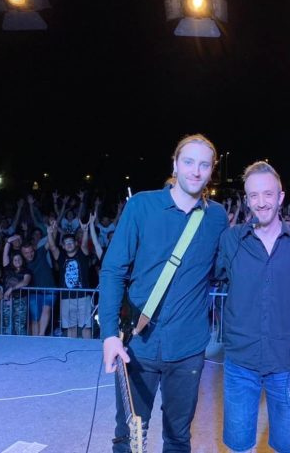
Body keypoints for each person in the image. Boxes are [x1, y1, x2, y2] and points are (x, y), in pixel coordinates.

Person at [99, 133, 228, 453]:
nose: (195, 171)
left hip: (188, 349)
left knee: (178, 438)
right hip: (138, 345)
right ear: (175, 164)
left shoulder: (217, 217)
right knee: (129, 436)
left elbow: (223, 270)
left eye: (204, 165)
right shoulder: (142, 206)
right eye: (189, 162)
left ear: (212, 170)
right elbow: (113, 270)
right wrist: (109, 335)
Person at [216, 161, 290, 453]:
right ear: (246, 200)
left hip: (287, 362)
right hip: (241, 360)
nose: (261, 202)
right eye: (254, 195)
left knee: (287, 445)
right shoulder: (231, 240)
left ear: (281, 197)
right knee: (238, 444)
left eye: (268, 194)